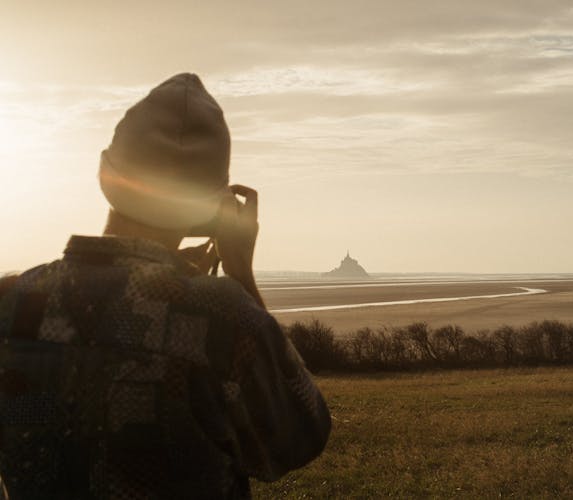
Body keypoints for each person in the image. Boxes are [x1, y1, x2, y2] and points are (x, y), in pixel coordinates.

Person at [0, 73, 330, 499]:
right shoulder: (222, 316)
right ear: (212, 205)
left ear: (105, 175)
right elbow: (299, 437)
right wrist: (240, 276)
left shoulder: (13, 303)